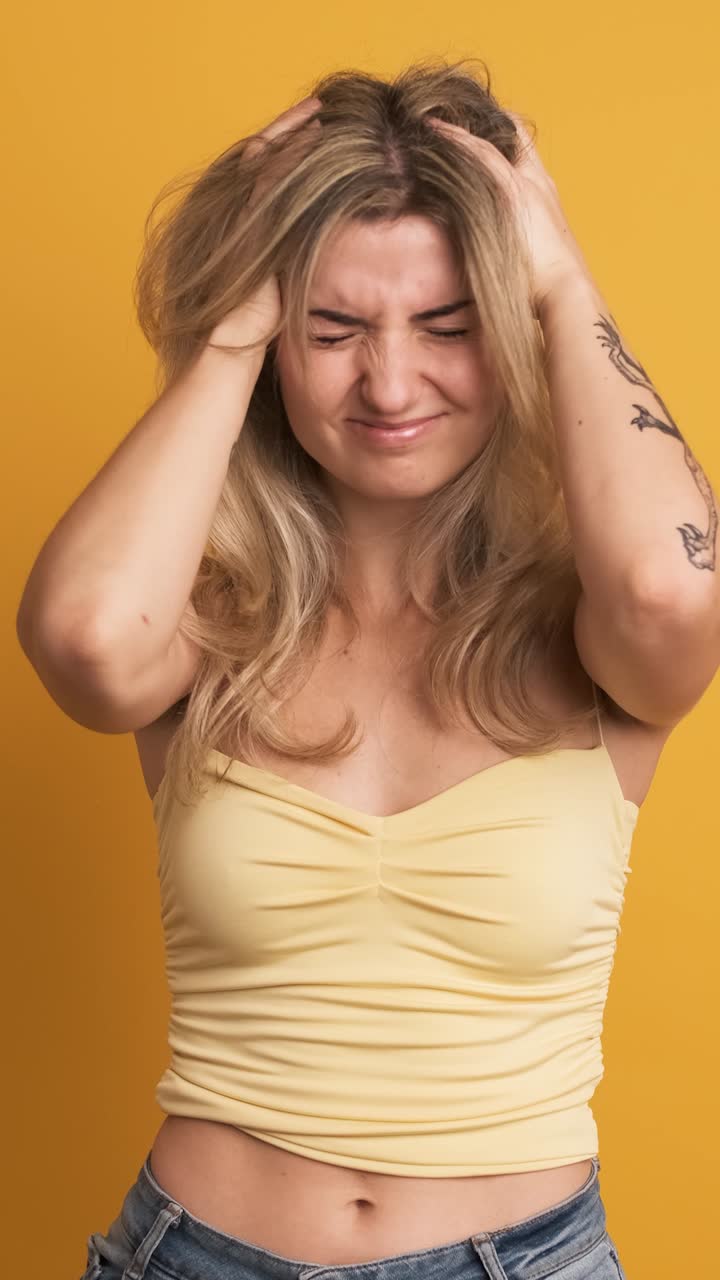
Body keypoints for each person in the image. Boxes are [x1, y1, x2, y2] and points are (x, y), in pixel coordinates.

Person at [17, 59, 718, 1280]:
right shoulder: (209, 618)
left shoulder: (594, 625)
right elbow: (80, 639)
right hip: (192, 1255)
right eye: (331, 330)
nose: (390, 383)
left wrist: (557, 279)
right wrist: (236, 316)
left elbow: (677, 587)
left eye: (448, 326)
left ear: (506, 330)